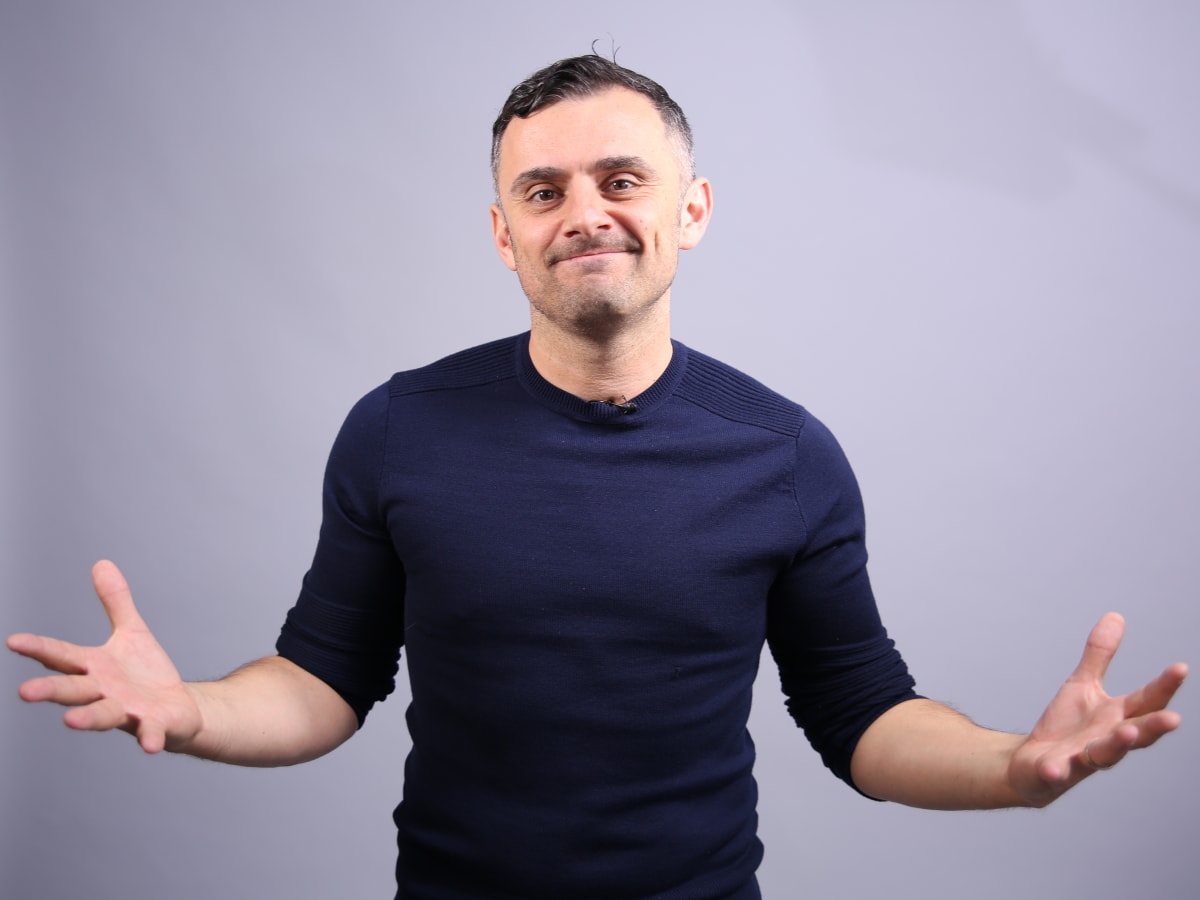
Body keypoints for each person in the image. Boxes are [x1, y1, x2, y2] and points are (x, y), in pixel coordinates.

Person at [8, 55, 1187, 899]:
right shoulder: (398, 429)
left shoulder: (785, 454)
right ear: (504, 232)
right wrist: (193, 712)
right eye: (545, 190)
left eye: (622, 180)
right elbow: (323, 681)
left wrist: (1010, 770)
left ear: (691, 209)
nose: (586, 214)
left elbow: (861, 714)